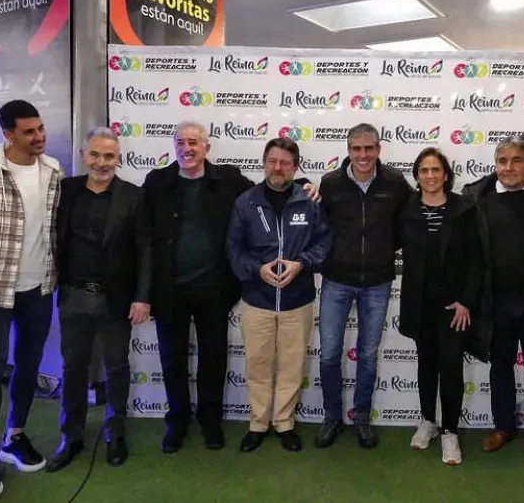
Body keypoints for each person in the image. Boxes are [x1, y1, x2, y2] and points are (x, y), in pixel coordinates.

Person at [144, 121, 318, 454]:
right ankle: (177, 422)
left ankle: (211, 423)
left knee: (213, 359)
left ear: (207, 147)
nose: (187, 149)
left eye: (194, 142)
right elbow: (144, 237)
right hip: (170, 290)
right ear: (173, 146)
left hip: (213, 289)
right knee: (171, 360)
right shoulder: (157, 182)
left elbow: (274, 187)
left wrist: (306, 183)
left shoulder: (228, 180)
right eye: (181, 142)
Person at [0, 100, 64, 500]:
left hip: (39, 286)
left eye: (40, 128)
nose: (39, 136)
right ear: (8, 134)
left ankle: (15, 437)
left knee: (28, 364)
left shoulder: (53, 170)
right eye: (29, 131)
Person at [46, 128, 151, 472]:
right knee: (72, 368)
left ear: (118, 158)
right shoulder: (65, 191)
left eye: (109, 156)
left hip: (116, 300)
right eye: (95, 155)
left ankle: (115, 433)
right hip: (73, 295)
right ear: (82, 154)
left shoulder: (134, 197)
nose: (101, 163)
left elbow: (145, 252)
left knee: (117, 367)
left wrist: (142, 297)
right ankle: (71, 436)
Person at [226, 137, 333, 453]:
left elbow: (325, 242)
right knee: (258, 364)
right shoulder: (246, 202)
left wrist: (302, 264)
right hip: (256, 299)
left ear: (295, 166)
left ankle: (284, 423)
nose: (278, 167)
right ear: (264, 162)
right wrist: (256, 269)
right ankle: (258, 423)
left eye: (285, 162)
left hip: (296, 300)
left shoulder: (310, 200)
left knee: (291, 365)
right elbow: (233, 249)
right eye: (273, 161)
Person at [462, 135, 524, 466]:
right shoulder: (478, 197)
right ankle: (503, 427)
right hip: (496, 303)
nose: (509, 167)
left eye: (516, 160)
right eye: (502, 161)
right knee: (500, 368)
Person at [315, 123, 412, 450]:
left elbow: (406, 225)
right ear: (348, 150)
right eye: (356, 149)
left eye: (369, 148)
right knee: (329, 353)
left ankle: (361, 419)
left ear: (378, 150)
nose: (363, 155)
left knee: (368, 356)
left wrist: (385, 250)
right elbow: (321, 228)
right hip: (336, 280)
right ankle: (331, 416)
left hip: (377, 282)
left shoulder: (395, 182)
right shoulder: (330, 184)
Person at [398, 147, 485, 466]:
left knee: (450, 368)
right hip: (420, 304)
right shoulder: (407, 210)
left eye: (436, 170)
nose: (430, 176)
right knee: (426, 365)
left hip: (454, 306)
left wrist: (466, 301)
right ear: (417, 176)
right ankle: (427, 422)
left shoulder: (463, 209)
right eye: (424, 170)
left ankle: (450, 431)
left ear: (446, 174)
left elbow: (477, 260)